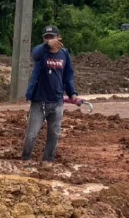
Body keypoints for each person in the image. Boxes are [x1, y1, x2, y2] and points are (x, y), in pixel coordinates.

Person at [21, 25, 83, 169]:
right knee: (32, 133)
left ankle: (48, 159)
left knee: (54, 133)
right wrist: (46, 46)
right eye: (46, 37)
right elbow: (34, 53)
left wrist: (72, 93)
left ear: (59, 38)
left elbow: (68, 76)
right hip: (39, 101)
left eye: (52, 37)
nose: (49, 40)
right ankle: (26, 157)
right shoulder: (42, 52)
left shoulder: (64, 54)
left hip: (57, 101)